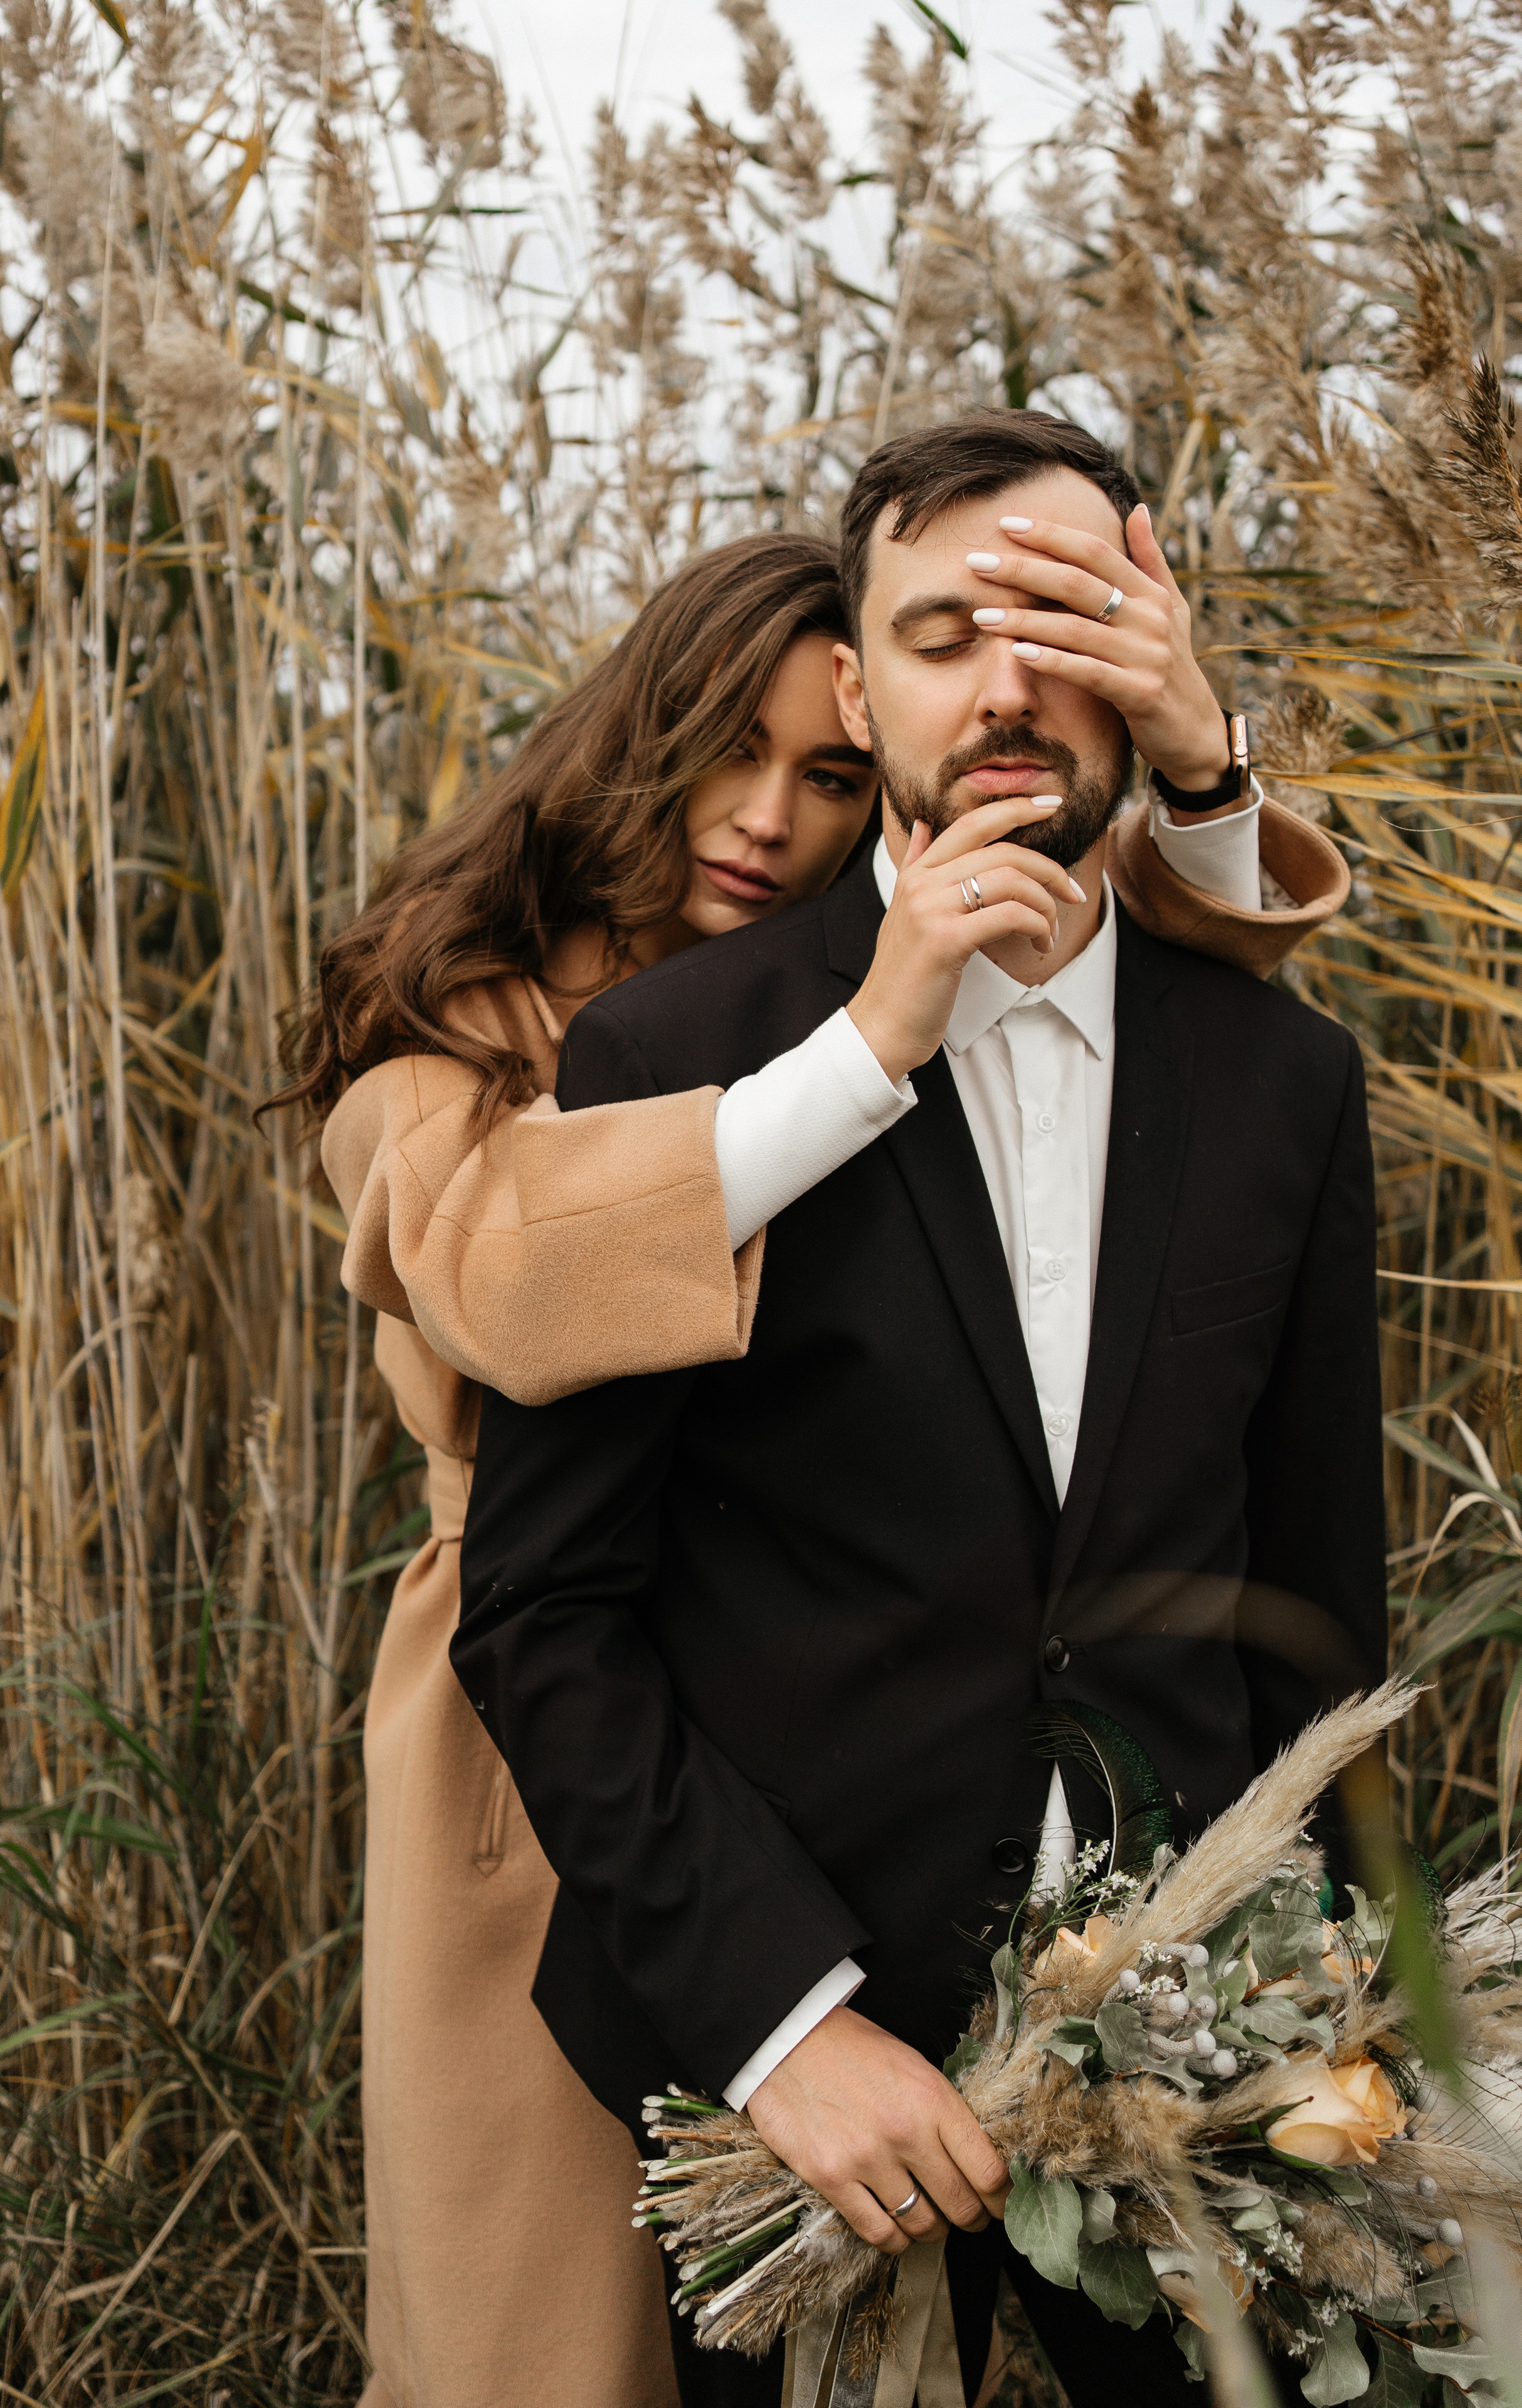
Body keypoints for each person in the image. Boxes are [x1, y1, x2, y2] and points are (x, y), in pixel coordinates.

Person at [449, 411, 1383, 2408]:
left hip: (1204, 2075)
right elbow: (545, 1618)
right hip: (800, 2079)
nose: (1012, 682)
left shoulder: (1281, 1085)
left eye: (1066, 617)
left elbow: (1320, 1613)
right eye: (948, 632)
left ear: (1156, 649)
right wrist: (788, 2029)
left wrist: (1340, 2009)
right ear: (860, 691)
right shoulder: (675, 1055)